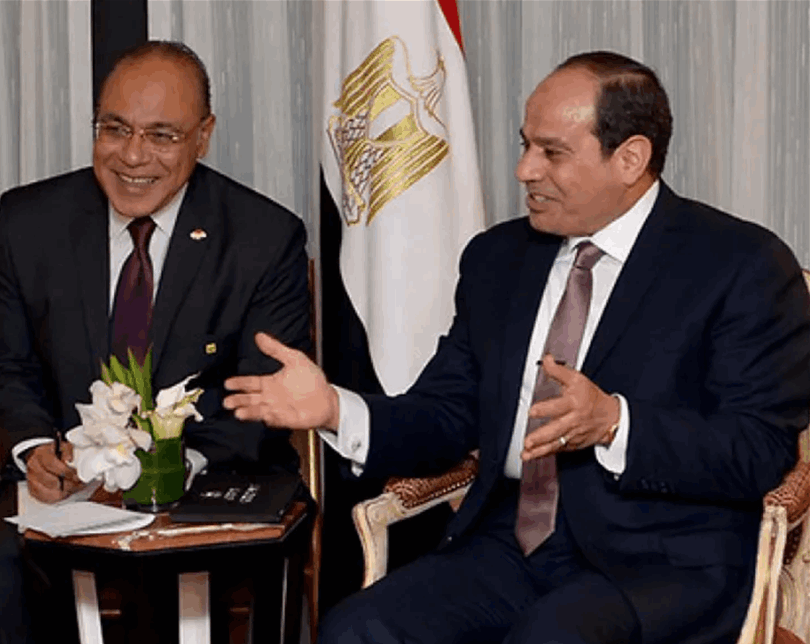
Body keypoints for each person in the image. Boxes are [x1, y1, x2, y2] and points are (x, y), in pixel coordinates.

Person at [225, 51, 810, 644]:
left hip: (661, 560)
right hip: (512, 544)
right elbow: (447, 413)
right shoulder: (499, 259)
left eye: (552, 152)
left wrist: (615, 423)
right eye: (526, 145)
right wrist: (336, 409)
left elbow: (757, 449)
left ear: (630, 158)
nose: (524, 169)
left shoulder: (740, 265)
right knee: (356, 629)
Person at [0, 40, 312, 642]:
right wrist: (34, 448)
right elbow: (3, 364)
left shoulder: (264, 237)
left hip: (211, 475)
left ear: (204, 136)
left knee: (197, 573)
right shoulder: (28, 222)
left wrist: (165, 467)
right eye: (115, 128)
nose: (132, 156)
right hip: (66, 484)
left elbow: (263, 397)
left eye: (162, 136)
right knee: (0, 561)